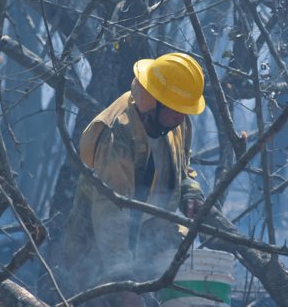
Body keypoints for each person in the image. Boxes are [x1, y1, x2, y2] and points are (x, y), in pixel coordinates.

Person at [64, 53, 207, 306]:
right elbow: (110, 214)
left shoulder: (173, 120)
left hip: (149, 240)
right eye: (177, 110)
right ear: (153, 101)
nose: (182, 118)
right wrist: (124, 283)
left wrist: (190, 189)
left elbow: (183, 165)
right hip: (99, 251)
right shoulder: (117, 134)